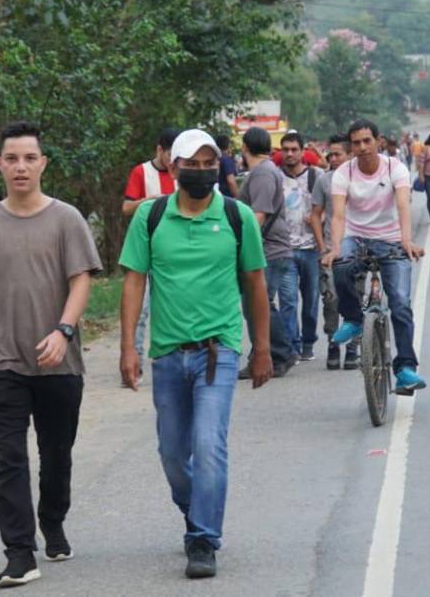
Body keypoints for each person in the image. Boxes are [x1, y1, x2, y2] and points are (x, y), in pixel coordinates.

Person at [0, 122, 103, 588]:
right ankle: (19, 552)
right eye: (11, 158)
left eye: (29, 158)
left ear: (43, 165)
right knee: (10, 458)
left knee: (56, 454)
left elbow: (82, 279)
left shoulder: (66, 219)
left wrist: (63, 330)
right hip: (2, 362)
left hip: (60, 362)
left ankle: (52, 519)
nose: (20, 167)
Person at [118, 128, 273, 581]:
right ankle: (194, 507)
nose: (202, 171)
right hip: (167, 354)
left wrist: (260, 347)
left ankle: (203, 538)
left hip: (217, 352)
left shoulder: (237, 216)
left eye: (211, 163)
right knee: (172, 454)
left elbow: (256, 283)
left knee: (208, 445)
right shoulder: (150, 216)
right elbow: (133, 282)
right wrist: (128, 346)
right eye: (193, 163)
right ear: (173, 166)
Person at [322, 119, 427, 393]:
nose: (362, 147)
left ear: (378, 142)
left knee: (401, 303)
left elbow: (403, 205)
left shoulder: (395, 168)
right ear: (351, 146)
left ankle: (405, 368)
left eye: (367, 141)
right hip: (355, 237)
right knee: (340, 264)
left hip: (391, 240)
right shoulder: (343, 173)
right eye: (356, 143)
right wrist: (334, 247)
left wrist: (406, 240)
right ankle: (354, 319)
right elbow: (338, 214)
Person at [237, 126, 299, 377]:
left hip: (268, 249)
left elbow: (259, 215)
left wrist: (244, 247)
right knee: (256, 304)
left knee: (258, 304)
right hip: (269, 248)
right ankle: (264, 355)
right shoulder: (265, 171)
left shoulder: (262, 173)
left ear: (244, 148)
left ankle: (282, 353)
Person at [122, 128, 180, 376]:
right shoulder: (141, 172)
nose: (172, 162)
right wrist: (151, 201)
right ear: (159, 150)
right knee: (141, 309)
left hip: (174, 253)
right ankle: (133, 359)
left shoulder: (182, 172)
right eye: (169, 155)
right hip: (145, 250)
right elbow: (126, 207)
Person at [277, 132, 326, 359]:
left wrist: (320, 218)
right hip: (284, 249)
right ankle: (292, 346)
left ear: (302, 151)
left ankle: (308, 343)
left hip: (310, 248)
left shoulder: (317, 176)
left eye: (293, 149)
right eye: (285, 149)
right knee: (287, 300)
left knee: (311, 300)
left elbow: (331, 206)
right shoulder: (275, 178)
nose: (289, 154)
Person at [311, 137, 357, 369]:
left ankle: (352, 348)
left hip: (357, 250)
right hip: (331, 250)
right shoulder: (323, 181)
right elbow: (315, 215)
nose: (333, 158)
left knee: (356, 297)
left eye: (338, 154)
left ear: (349, 155)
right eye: (330, 154)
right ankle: (332, 342)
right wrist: (321, 247)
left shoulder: (360, 180)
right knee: (331, 299)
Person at [216, 133, 239, 198]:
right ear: (228, 145)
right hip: (227, 196)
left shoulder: (214, 159)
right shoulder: (226, 159)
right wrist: (237, 197)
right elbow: (231, 181)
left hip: (217, 195)